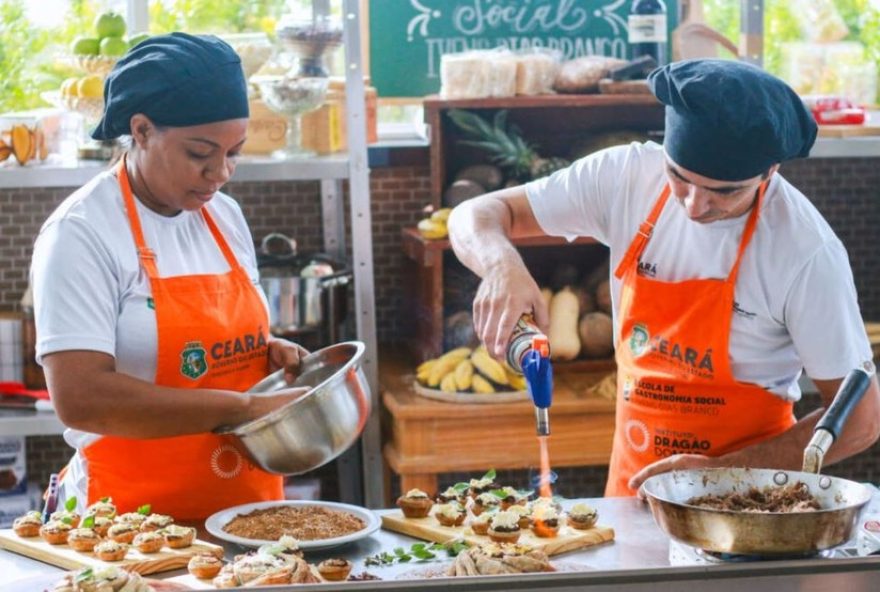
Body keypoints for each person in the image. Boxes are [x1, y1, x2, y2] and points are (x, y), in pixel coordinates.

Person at [448, 59, 880, 497]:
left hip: (749, 506)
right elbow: (476, 213)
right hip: (630, 492)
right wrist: (501, 265)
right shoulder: (625, 177)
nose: (693, 206)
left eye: (724, 192)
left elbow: (862, 419)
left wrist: (723, 473)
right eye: (679, 177)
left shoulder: (805, 251)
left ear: (770, 172)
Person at [30, 33, 310, 520]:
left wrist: (263, 351)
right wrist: (242, 410)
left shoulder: (224, 217)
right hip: (126, 526)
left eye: (234, 152)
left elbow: (190, 353)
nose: (219, 172)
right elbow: (80, 398)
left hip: (247, 519)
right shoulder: (81, 233)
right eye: (200, 153)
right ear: (140, 130)